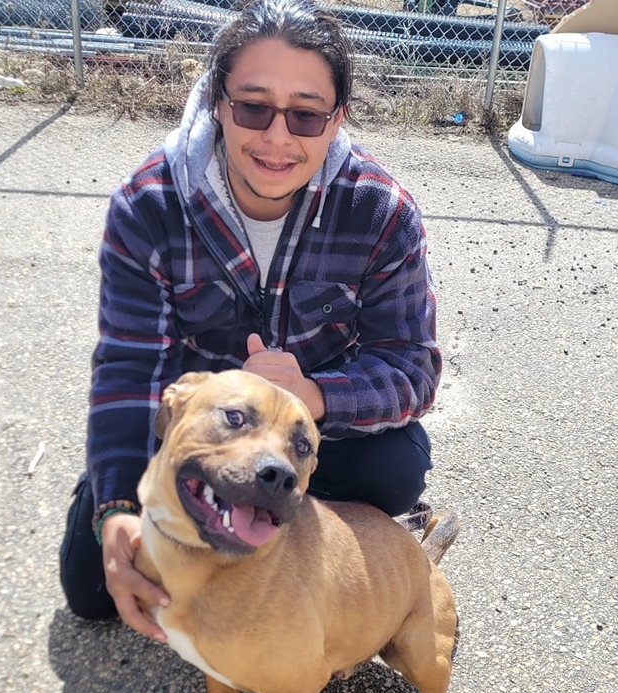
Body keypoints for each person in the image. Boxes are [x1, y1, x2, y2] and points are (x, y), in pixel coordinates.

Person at [59, 0, 442, 643]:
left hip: (307, 437)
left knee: (395, 470)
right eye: (254, 106)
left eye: (306, 114)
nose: (277, 138)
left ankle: (329, 555)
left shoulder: (381, 211)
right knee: (92, 590)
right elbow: (130, 370)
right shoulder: (148, 205)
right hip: (202, 434)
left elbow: (413, 367)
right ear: (217, 101)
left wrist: (314, 394)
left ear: (336, 119)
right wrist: (119, 507)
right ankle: (179, 498)